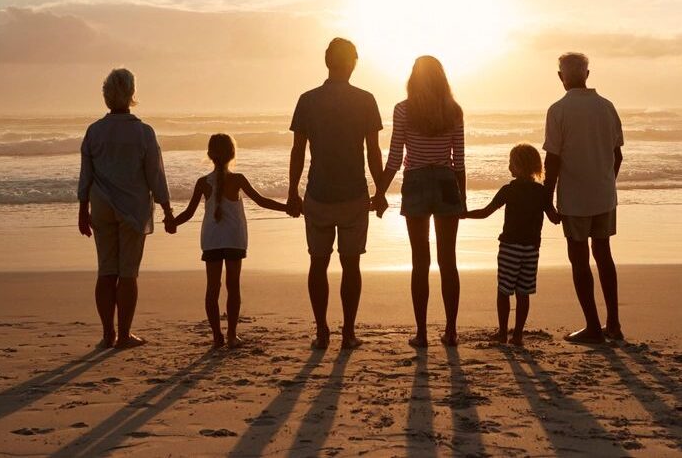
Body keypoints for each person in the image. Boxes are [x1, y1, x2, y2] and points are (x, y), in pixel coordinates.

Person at [286, 38, 386, 350]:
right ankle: (348, 333)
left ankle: (321, 331)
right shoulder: (365, 100)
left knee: (318, 262)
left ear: (327, 61)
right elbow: (373, 152)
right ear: (352, 63)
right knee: (351, 264)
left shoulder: (307, 100)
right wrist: (380, 190)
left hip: (318, 192)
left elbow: (298, 152)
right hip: (354, 193)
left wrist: (293, 191)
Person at [372, 55, 466, 348]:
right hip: (446, 181)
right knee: (448, 261)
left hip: (415, 182)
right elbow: (459, 160)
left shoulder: (403, 110)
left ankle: (422, 333)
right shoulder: (454, 110)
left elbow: (395, 158)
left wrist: (379, 192)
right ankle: (451, 331)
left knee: (420, 261)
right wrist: (461, 199)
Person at [77, 68, 173, 350]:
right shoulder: (143, 132)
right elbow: (155, 176)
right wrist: (167, 210)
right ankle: (124, 334)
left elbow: (86, 175)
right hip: (133, 209)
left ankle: (107, 334)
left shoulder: (95, 131)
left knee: (106, 270)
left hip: (102, 206)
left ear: (106, 96)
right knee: (128, 273)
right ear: (131, 95)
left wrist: (83, 209)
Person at [168, 134, 289, 349]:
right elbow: (262, 202)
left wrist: (172, 222)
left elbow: (187, 213)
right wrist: (287, 208)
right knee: (233, 286)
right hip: (234, 238)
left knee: (212, 288)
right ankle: (232, 334)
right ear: (233, 154)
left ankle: (217, 336)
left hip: (212, 239)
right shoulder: (239, 179)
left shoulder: (202, 182)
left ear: (209, 155)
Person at [542, 53, 625, 344]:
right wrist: (606, 183)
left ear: (561, 76)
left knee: (579, 258)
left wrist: (546, 199)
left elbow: (552, 160)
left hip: (575, 197)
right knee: (603, 254)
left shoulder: (558, 110)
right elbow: (617, 155)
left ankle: (593, 326)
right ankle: (612, 322)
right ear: (587, 74)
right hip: (603, 194)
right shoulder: (607, 107)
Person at [462, 143, 559, 346]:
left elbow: (486, 212)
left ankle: (503, 332)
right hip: (532, 249)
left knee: (504, 291)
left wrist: (462, 215)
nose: (508, 167)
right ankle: (518, 336)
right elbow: (553, 217)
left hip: (509, 248)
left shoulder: (509, 190)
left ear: (519, 166)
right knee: (523, 292)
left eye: (510, 163)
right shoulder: (541, 192)